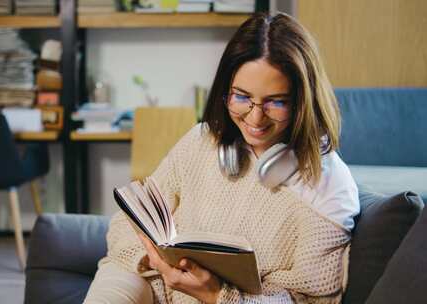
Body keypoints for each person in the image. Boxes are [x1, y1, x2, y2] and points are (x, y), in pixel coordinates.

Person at [84, 12, 359, 304]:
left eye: (276, 102)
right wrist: (156, 263)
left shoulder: (329, 186)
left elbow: (311, 301)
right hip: (150, 281)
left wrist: (215, 295)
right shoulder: (202, 140)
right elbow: (129, 223)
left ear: (304, 101)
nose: (255, 118)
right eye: (241, 97)